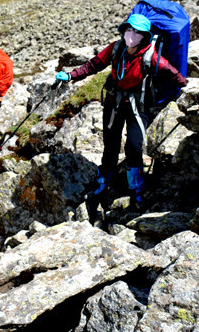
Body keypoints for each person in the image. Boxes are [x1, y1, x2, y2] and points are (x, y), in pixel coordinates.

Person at [55, 13, 187, 207]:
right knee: (110, 144)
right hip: (113, 103)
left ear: (145, 37)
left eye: (136, 32)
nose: (131, 35)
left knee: (134, 146)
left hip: (138, 106)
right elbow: (94, 65)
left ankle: (136, 187)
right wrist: (71, 75)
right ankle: (105, 180)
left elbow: (171, 71)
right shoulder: (116, 48)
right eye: (129, 30)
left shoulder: (151, 56)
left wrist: (184, 85)